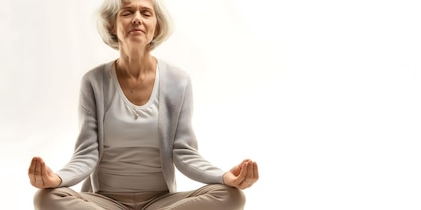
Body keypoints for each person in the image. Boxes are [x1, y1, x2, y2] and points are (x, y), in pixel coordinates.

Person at [28, 0, 259, 209]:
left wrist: (225, 177)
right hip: (105, 202)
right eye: (127, 12)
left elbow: (184, 152)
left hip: (161, 202)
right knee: (46, 198)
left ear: (156, 27)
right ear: (112, 25)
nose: (137, 18)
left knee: (231, 196)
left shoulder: (178, 81)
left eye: (146, 13)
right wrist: (55, 179)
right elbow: (86, 153)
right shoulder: (94, 81)